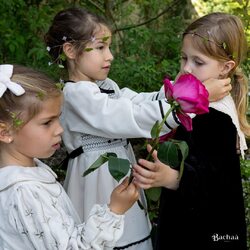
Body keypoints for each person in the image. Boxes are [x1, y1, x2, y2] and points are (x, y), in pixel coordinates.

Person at [44, 7, 232, 250]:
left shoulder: (103, 85)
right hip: (97, 181)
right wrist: (191, 103)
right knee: (106, 236)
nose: (109, 56)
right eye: (100, 48)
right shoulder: (74, 94)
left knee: (130, 229)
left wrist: (180, 92)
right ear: (70, 50)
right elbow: (125, 116)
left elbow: (136, 101)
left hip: (116, 172)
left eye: (109, 47)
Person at [132, 12, 249, 250]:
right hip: (184, 217)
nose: (186, 68)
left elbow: (217, 181)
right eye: (184, 58)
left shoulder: (217, 117)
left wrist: (173, 178)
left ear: (225, 68)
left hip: (204, 233)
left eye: (198, 62)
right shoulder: (197, 106)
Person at [0, 64, 139, 250]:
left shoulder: (30, 171)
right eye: (47, 122)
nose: (60, 129)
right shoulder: (25, 192)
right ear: (5, 132)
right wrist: (114, 211)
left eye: (58, 118)